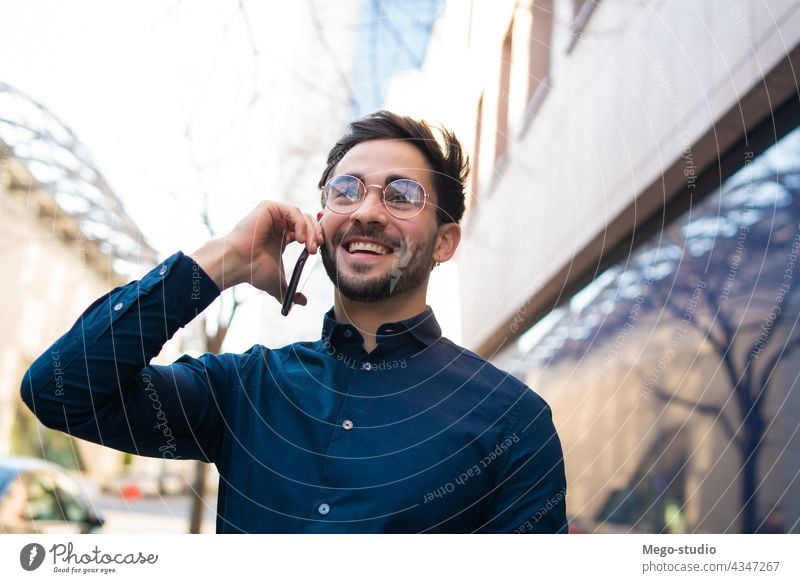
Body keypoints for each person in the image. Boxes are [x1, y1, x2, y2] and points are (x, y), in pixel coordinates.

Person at [21, 110, 568, 533]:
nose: (368, 211)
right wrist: (220, 262)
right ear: (321, 220)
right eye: (346, 190)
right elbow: (60, 390)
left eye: (402, 195)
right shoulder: (244, 390)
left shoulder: (513, 423)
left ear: (445, 241)